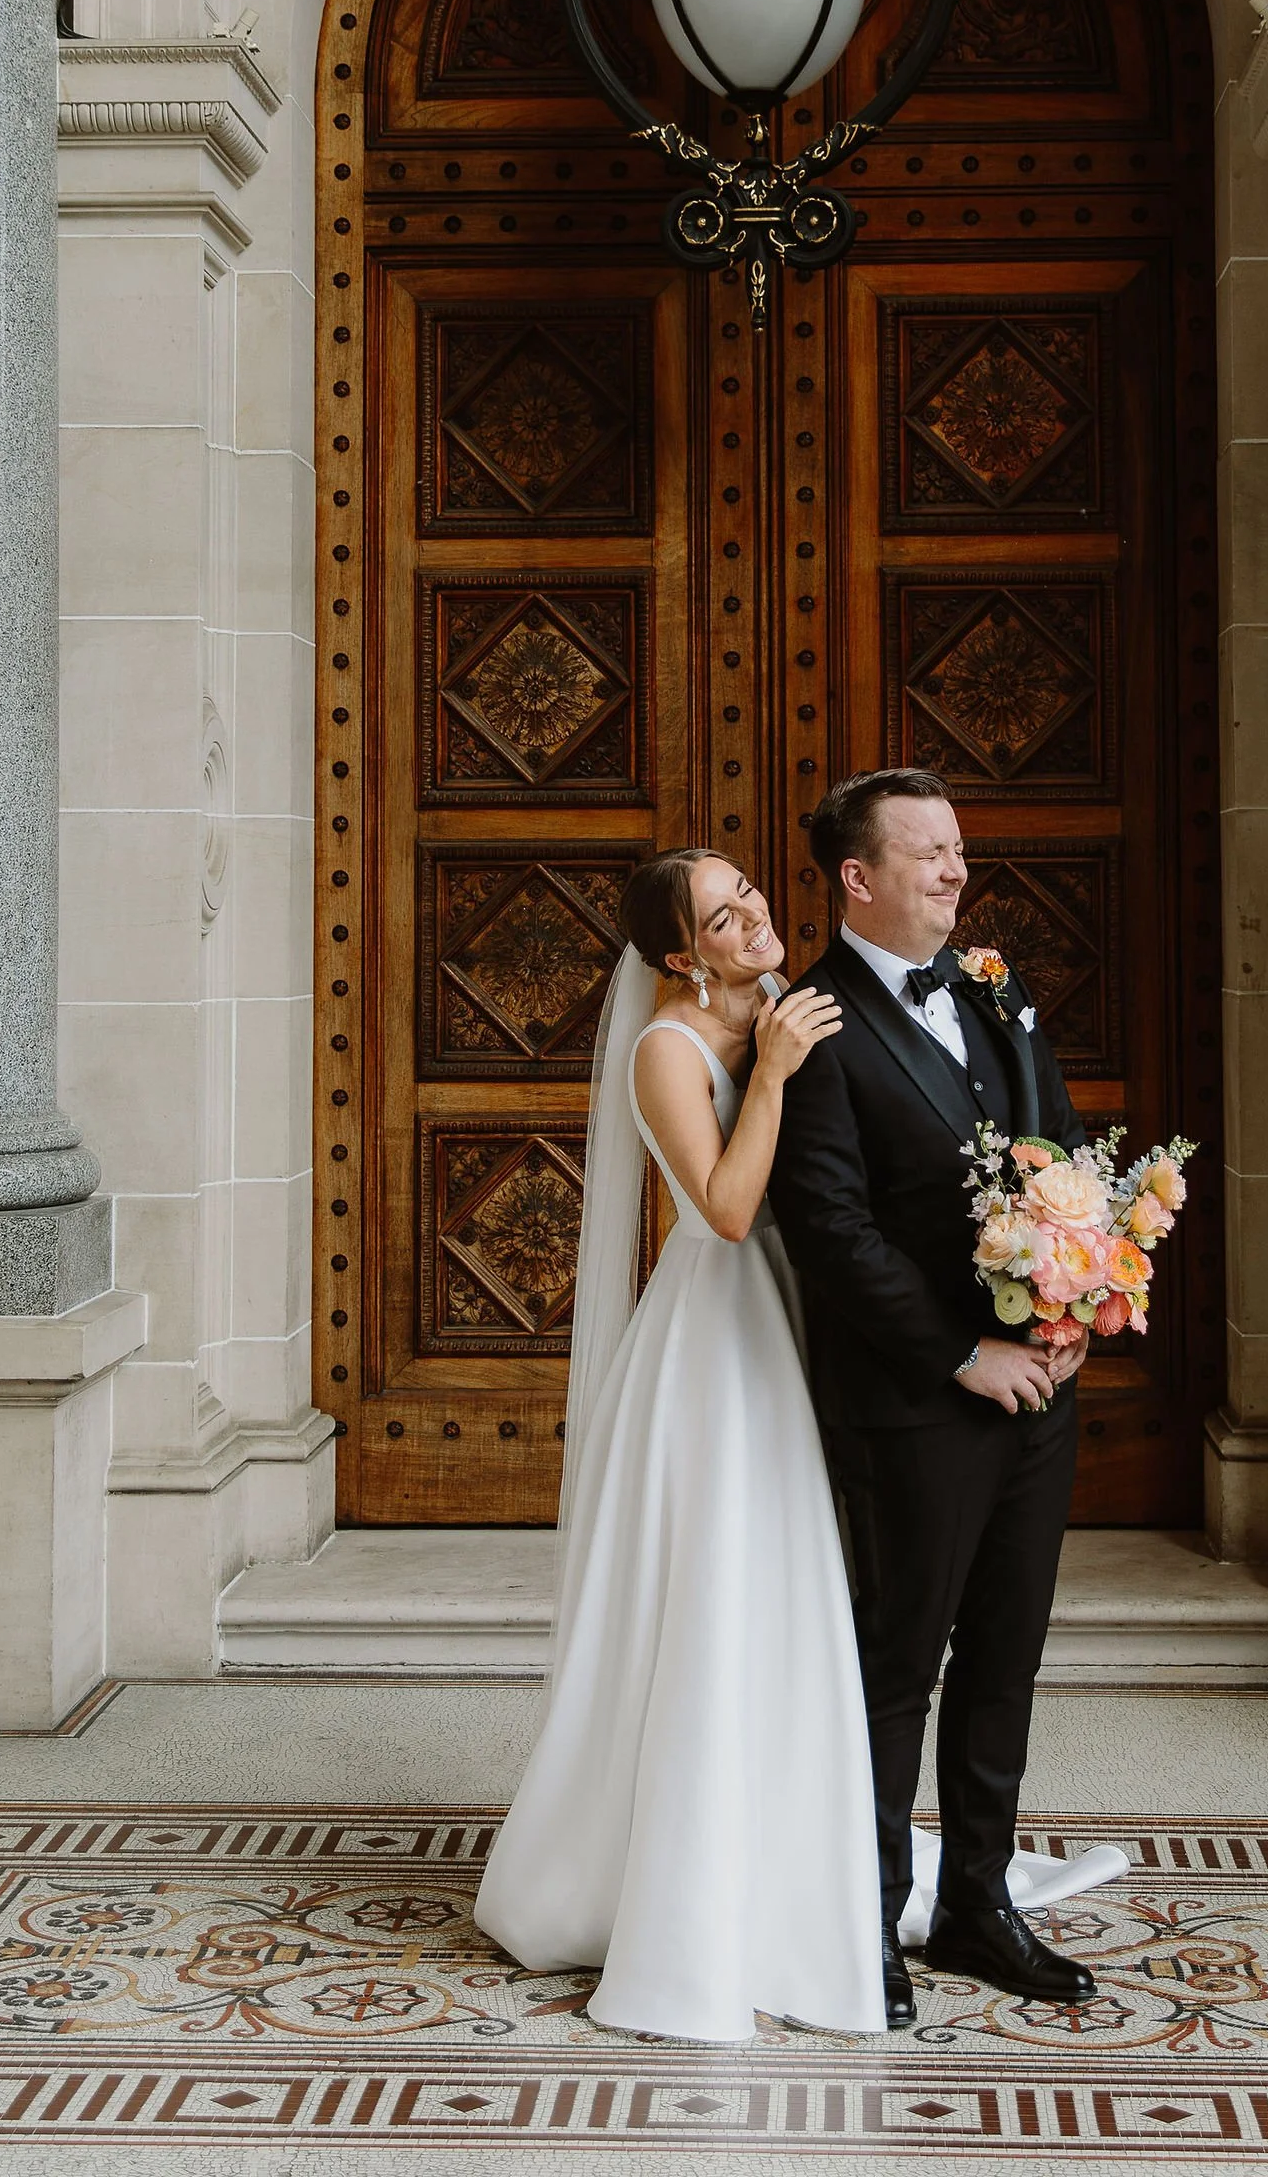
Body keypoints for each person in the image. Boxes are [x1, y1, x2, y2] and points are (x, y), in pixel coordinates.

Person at [472, 848, 884, 2042]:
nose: (751, 917)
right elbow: (727, 1210)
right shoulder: (665, 1048)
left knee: (785, 1599)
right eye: (720, 917)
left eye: (746, 894)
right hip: (716, 1348)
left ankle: (791, 1851)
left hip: (793, 1319)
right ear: (676, 954)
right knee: (715, 1595)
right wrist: (773, 1078)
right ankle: (674, 1885)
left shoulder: (780, 999)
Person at [771, 768, 1101, 2030]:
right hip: (913, 1404)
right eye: (927, 854)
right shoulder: (811, 1026)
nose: (956, 872)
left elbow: (1060, 1145)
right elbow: (832, 1231)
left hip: (1038, 1389)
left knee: (1005, 1656)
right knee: (895, 1668)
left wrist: (1073, 1308)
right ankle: (862, 1926)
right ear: (857, 878)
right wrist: (961, 1355)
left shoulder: (992, 986)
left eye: (958, 849)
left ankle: (976, 1903)